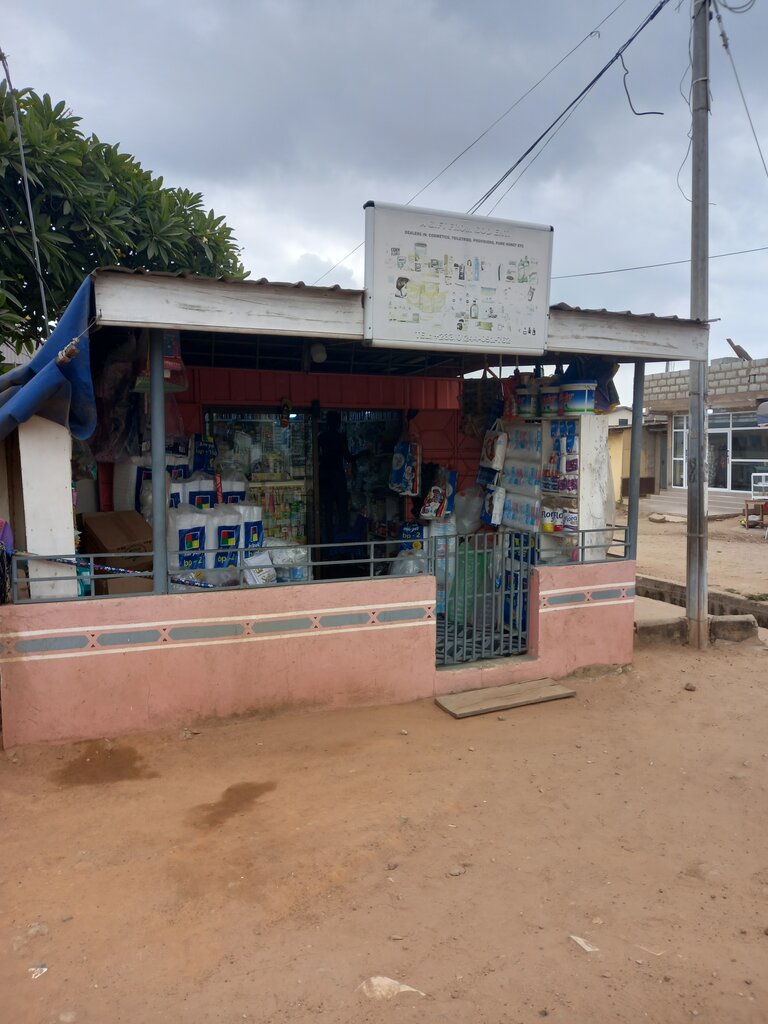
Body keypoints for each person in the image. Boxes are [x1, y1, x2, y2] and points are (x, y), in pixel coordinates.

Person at [318, 411, 364, 542]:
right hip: (337, 476)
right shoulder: (340, 438)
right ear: (338, 423)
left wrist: (323, 460)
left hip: (325, 475)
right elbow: (348, 458)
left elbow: (316, 456)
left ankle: (329, 539)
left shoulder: (321, 437)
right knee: (342, 508)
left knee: (327, 510)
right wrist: (362, 454)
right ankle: (343, 538)